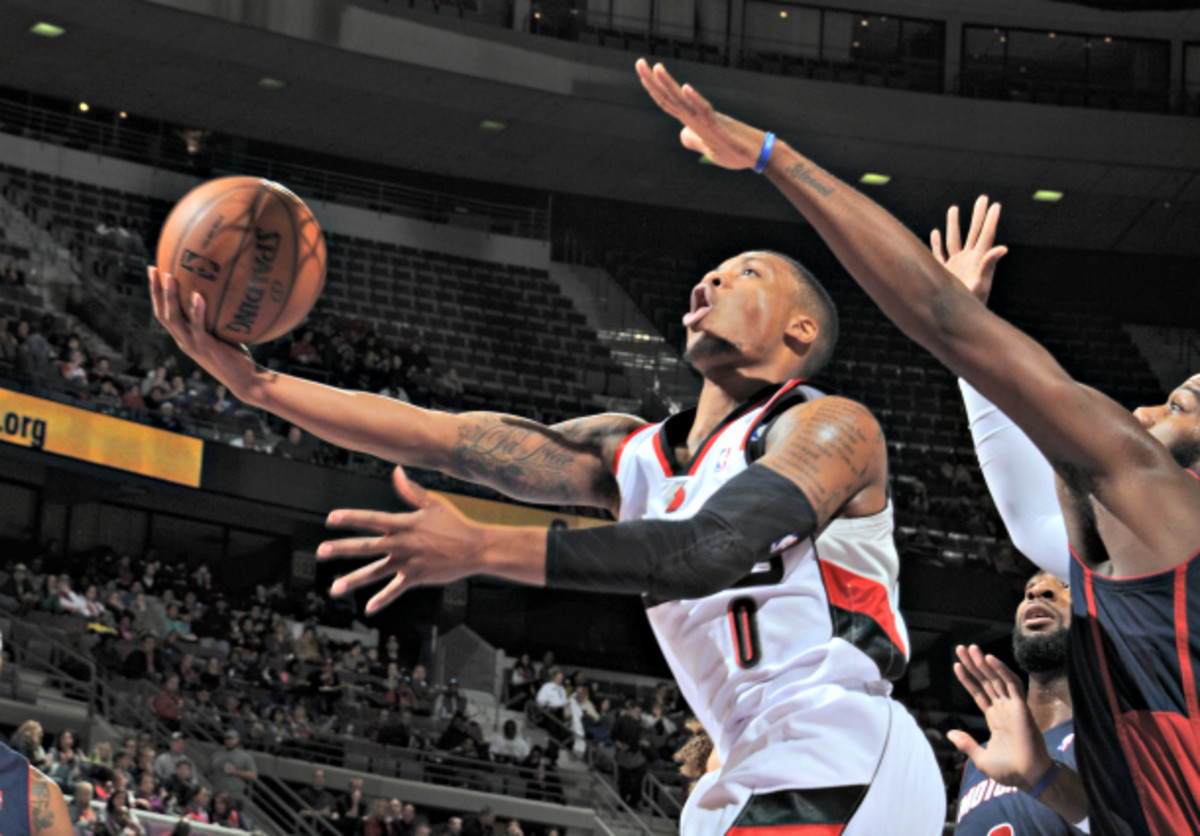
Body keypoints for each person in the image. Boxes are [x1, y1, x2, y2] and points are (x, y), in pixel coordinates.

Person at [150, 126, 942, 836]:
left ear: (799, 330)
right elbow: (444, 437)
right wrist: (258, 388)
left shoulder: (829, 427)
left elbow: (707, 548)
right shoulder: (630, 456)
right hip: (745, 763)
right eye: (709, 274)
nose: (710, 282)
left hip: (838, 741)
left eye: (744, 274)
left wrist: (480, 545)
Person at [622, 59, 1200, 834]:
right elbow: (1028, 506)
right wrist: (1040, 779)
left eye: (1183, 405)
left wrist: (774, 158)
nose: (1148, 405)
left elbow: (938, 318)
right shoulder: (1111, 565)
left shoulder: (1165, 509)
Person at [954, 572, 1085, 835]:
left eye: (1065, 585)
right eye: (1030, 587)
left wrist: (1045, 779)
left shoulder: (1122, 733)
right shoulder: (981, 758)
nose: (1038, 591)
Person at [210, 730, 257, 802]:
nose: (229, 741)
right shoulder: (216, 755)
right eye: (227, 739)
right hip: (217, 795)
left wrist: (235, 771)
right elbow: (208, 773)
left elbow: (253, 775)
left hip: (235, 797)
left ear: (238, 740)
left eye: (232, 739)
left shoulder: (245, 757)